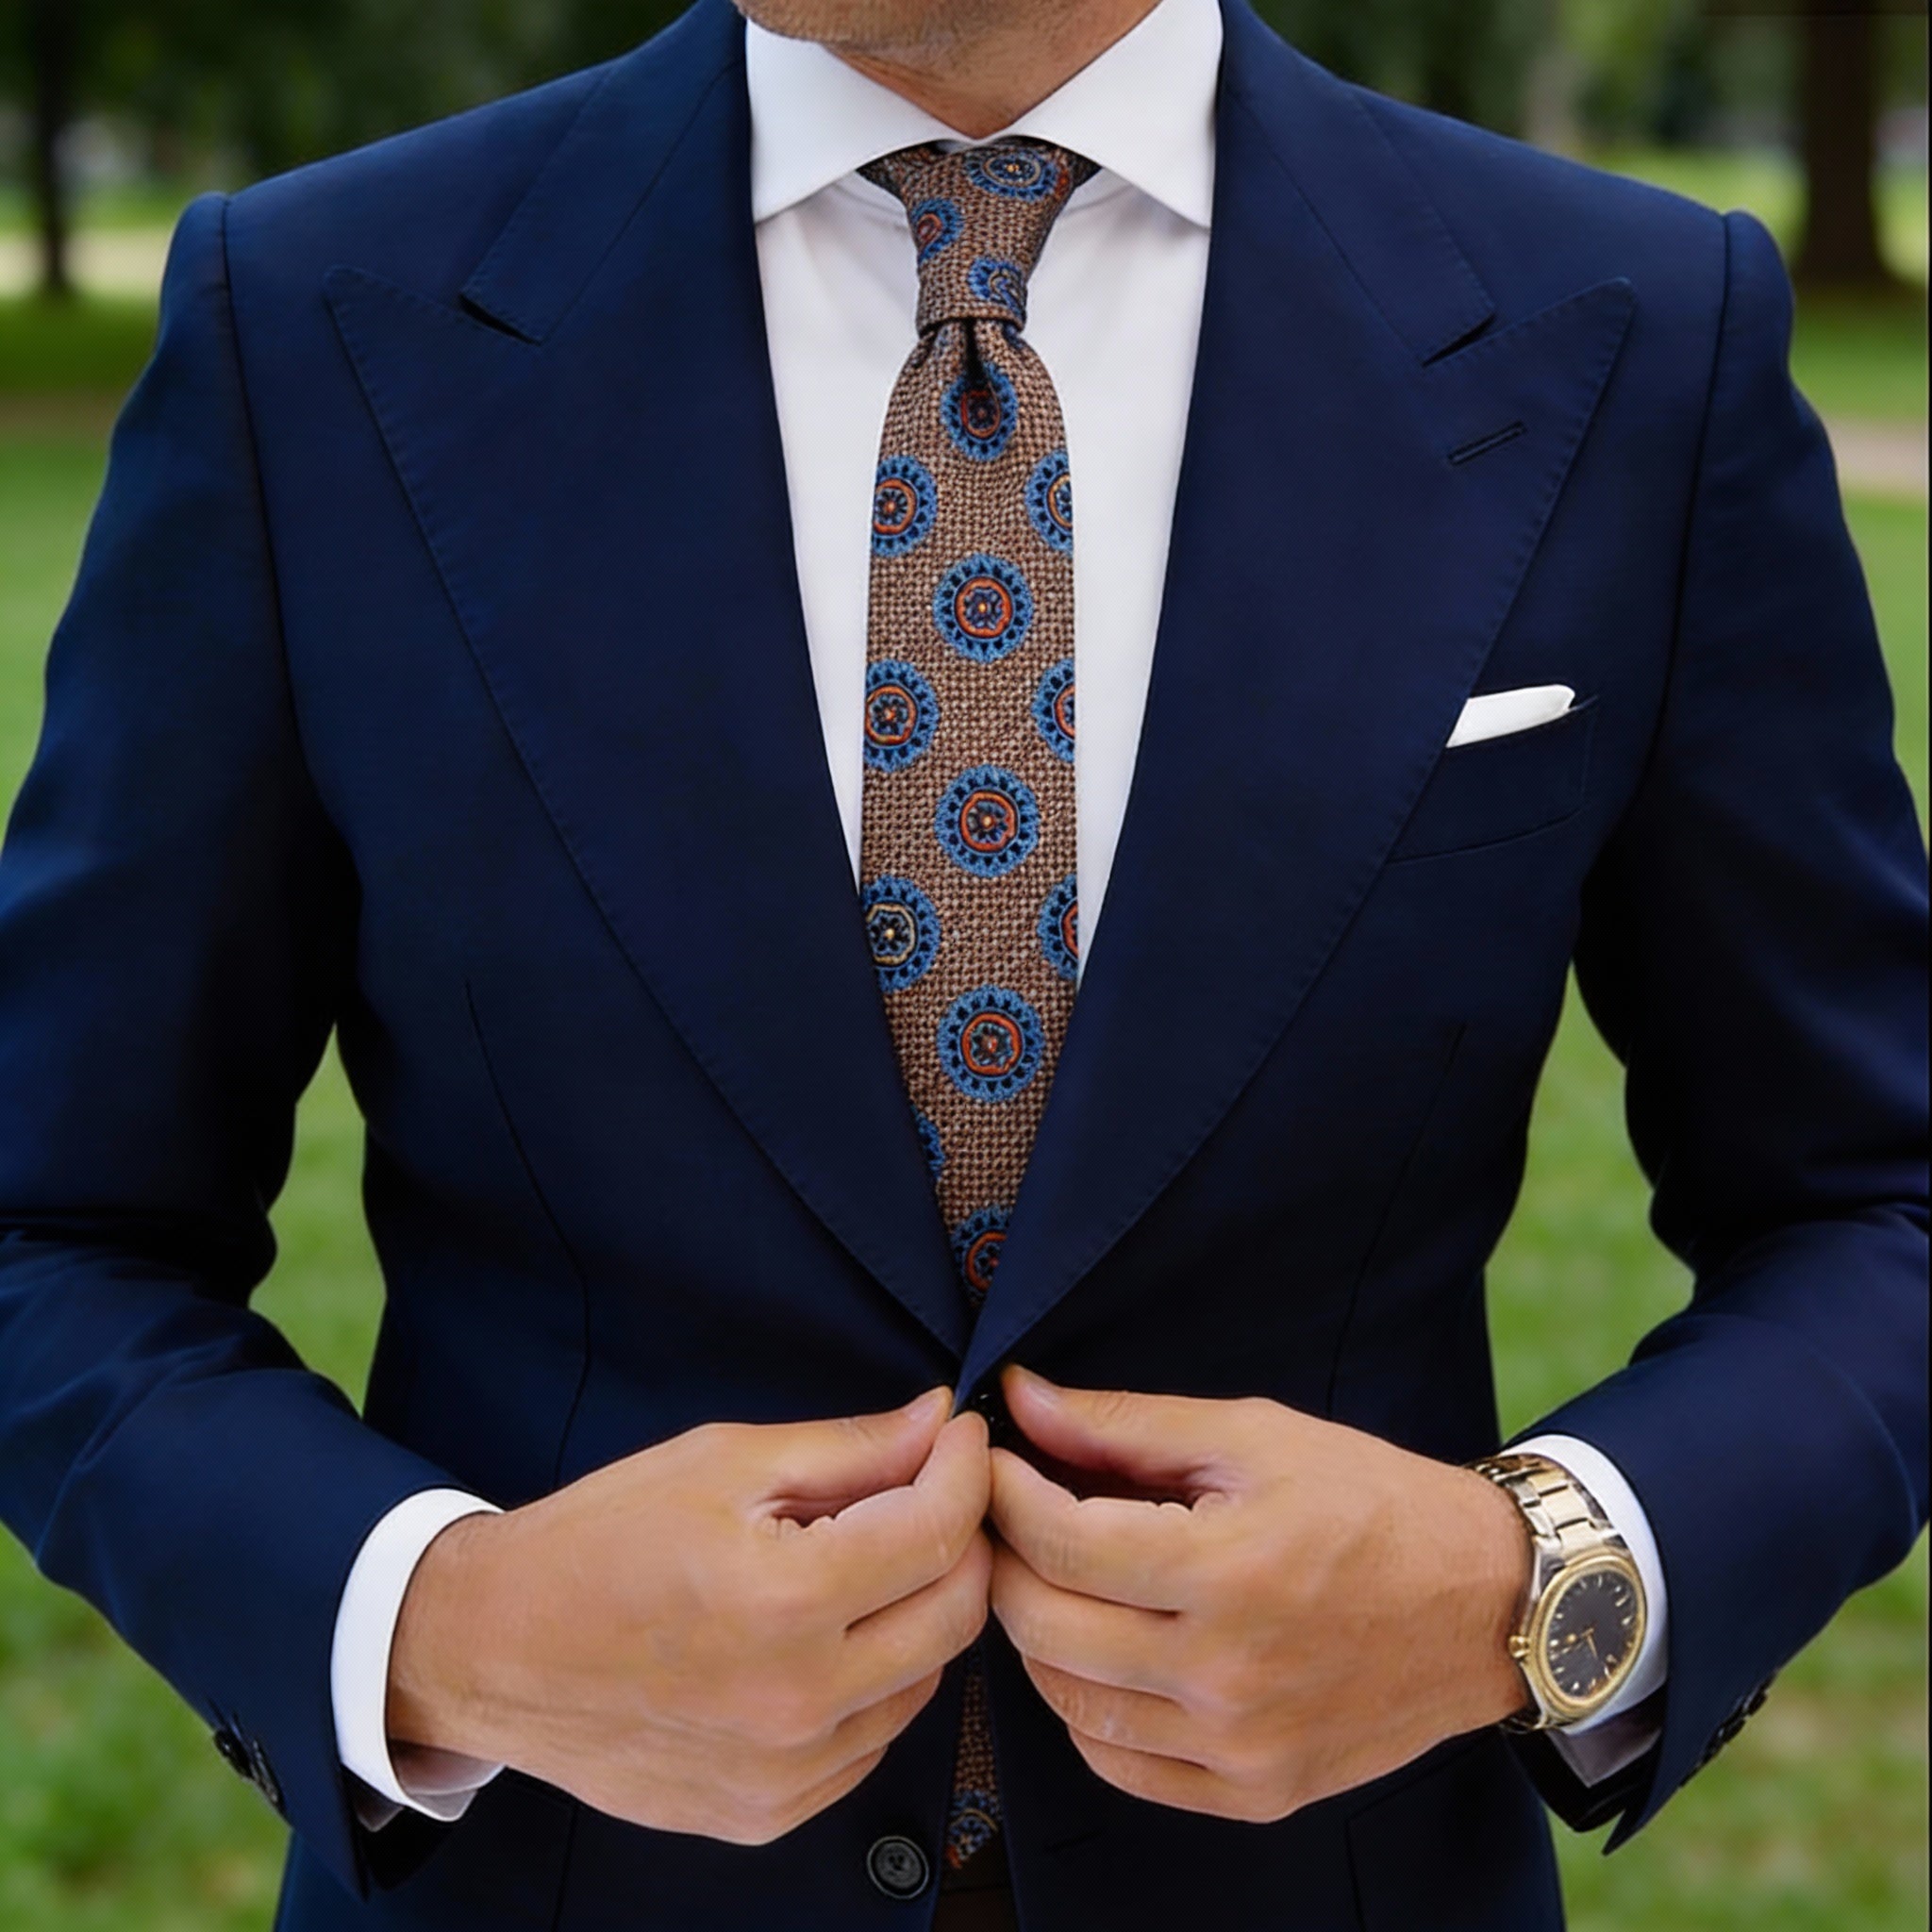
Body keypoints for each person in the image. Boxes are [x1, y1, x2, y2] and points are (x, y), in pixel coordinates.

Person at [0, 0, 1924, 1925]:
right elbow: (54, 1226)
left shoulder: (1631, 329)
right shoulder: (314, 316)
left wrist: (1533, 1586)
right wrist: (441, 1622)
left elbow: (1873, 1199)